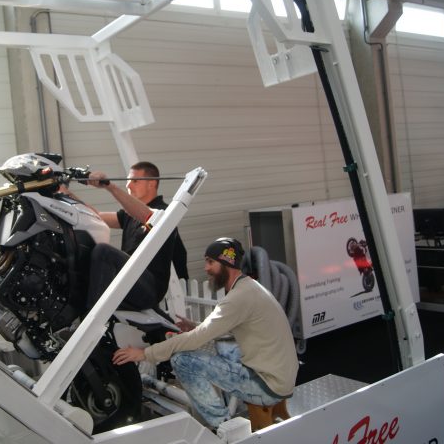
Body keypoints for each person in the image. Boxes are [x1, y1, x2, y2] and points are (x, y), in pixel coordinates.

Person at [112, 238, 298, 430]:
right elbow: (223, 327)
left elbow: (196, 339)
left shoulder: (238, 297)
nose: (206, 268)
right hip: (280, 377)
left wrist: (145, 354)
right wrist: (195, 326)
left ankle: (224, 426)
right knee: (224, 345)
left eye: (210, 262)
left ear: (227, 263)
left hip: (267, 385)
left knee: (182, 360)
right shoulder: (249, 287)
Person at [84, 162, 187, 311]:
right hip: (129, 279)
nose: (128, 185)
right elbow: (94, 216)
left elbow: (147, 215)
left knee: (103, 251)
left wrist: (109, 186)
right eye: (127, 181)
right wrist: (64, 193)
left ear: (151, 184)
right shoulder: (128, 214)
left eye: (135, 181)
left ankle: (91, 317)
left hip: (149, 288)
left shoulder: (164, 212)